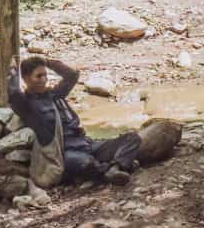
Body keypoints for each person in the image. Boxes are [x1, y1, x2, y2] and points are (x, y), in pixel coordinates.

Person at [7, 56, 141, 185]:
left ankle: (115, 168)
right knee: (85, 162)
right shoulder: (28, 107)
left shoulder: (55, 94)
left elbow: (72, 75)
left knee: (132, 138)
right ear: (26, 79)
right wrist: (14, 70)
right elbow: (13, 93)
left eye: (45, 75)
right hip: (65, 154)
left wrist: (47, 62)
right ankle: (110, 169)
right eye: (38, 76)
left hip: (88, 145)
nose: (44, 79)